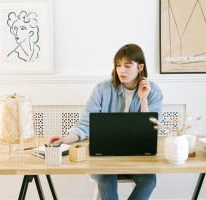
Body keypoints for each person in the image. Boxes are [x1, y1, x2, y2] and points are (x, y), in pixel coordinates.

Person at [48, 44, 163, 200]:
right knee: (105, 177)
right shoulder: (102, 89)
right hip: (104, 156)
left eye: (127, 66)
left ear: (140, 67)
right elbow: (85, 124)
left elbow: (149, 130)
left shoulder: (153, 92)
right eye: (118, 65)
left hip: (136, 156)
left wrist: (143, 99)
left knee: (149, 181)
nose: (121, 70)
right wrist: (66, 139)